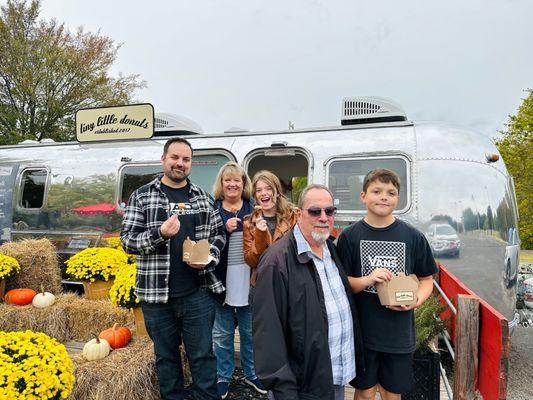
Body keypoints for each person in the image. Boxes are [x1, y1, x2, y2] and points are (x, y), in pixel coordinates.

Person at [121, 137, 225, 400]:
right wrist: (160, 234)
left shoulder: (202, 197)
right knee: (166, 358)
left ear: (191, 163)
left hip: (197, 293)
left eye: (186, 159)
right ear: (163, 159)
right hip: (157, 297)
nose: (180, 163)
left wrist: (208, 256)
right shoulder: (142, 196)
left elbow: (218, 235)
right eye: (175, 158)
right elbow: (127, 241)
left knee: (202, 356)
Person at [253, 184, 364, 400]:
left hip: (332, 375)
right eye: (315, 211)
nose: (323, 217)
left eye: (329, 211)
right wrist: (284, 390)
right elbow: (268, 334)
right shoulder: (276, 261)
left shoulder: (331, 250)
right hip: (301, 385)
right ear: (298, 214)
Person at [336, 168, 438, 400]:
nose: (384, 197)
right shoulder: (350, 237)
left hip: (398, 335)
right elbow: (343, 284)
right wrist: (368, 279)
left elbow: (426, 280)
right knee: (365, 391)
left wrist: (414, 301)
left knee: (393, 394)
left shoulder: (413, 237)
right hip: (363, 333)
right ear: (363, 196)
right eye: (377, 191)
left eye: (391, 193)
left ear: (397, 199)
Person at [212, 162, 266, 399]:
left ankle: (251, 373)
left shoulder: (254, 209)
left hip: (249, 278)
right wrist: (223, 228)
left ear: (244, 185)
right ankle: (223, 375)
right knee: (222, 334)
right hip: (221, 280)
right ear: (221, 185)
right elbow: (203, 240)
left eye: (237, 180)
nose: (232, 184)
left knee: (250, 332)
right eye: (228, 180)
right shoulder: (213, 210)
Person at [243, 170, 298, 287]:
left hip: (290, 282)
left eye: (268, 188)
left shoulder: (294, 216)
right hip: (262, 284)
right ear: (255, 197)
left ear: (277, 192)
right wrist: (260, 235)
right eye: (259, 190)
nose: (263, 193)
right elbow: (252, 262)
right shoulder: (249, 223)